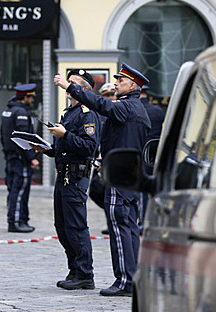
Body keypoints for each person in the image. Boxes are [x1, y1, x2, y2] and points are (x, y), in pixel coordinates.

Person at [54, 62, 151, 297]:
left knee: (119, 228)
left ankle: (125, 281)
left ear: (133, 85)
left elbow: (101, 104)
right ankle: (131, 278)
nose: (116, 83)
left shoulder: (128, 107)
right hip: (128, 175)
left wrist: (71, 87)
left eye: (121, 81)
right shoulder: (134, 109)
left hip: (121, 176)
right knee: (127, 228)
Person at [32, 69, 101, 290]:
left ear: (84, 89)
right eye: (68, 82)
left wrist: (65, 135)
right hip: (63, 175)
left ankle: (85, 274)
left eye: (73, 83)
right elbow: (65, 149)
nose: (67, 86)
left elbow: (89, 147)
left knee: (76, 226)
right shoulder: (69, 112)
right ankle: (74, 270)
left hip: (76, 176)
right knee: (62, 226)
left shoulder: (86, 112)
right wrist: (46, 149)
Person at [0, 84, 39, 233]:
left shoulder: (8, 110)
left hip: (11, 157)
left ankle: (21, 220)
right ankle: (15, 222)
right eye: (31, 97)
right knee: (20, 190)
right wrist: (31, 158)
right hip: (20, 158)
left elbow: (3, 136)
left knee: (13, 190)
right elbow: (23, 138)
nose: (32, 100)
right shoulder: (21, 112)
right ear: (25, 97)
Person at [89, 82, 117, 234]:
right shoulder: (98, 113)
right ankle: (109, 221)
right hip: (99, 159)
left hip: (113, 160)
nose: (111, 97)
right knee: (97, 190)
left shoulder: (120, 111)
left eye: (113, 94)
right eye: (107, 95)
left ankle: (115, 223)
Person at [138, 85, 165, 228]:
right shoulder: (157, 111)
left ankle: (142, 221)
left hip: (139, 153)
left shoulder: (136, 109)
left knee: (141, 190)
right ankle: (153, 218)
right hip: (153, 154)